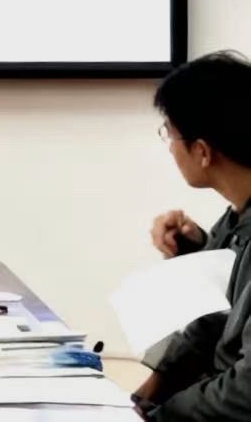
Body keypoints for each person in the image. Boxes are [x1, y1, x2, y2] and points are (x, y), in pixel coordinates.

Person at [134, 52, 251, 420]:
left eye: (170, 134)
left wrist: (160, 414)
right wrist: (198, 250)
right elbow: (213, 316)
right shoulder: (237, 217)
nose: (170, 147)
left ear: (202, 152)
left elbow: (245, 392)